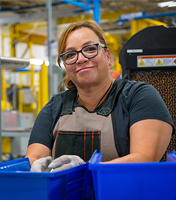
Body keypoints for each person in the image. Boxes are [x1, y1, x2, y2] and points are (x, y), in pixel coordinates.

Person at [26, 20, 175, 172]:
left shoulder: (138, 97)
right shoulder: (54, 107)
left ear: (108, 56)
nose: (81, 59)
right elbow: (34, 159)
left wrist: (83, 171)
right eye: (71, 54)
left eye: (90, 49)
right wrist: (37, 168)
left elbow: (144, 159)